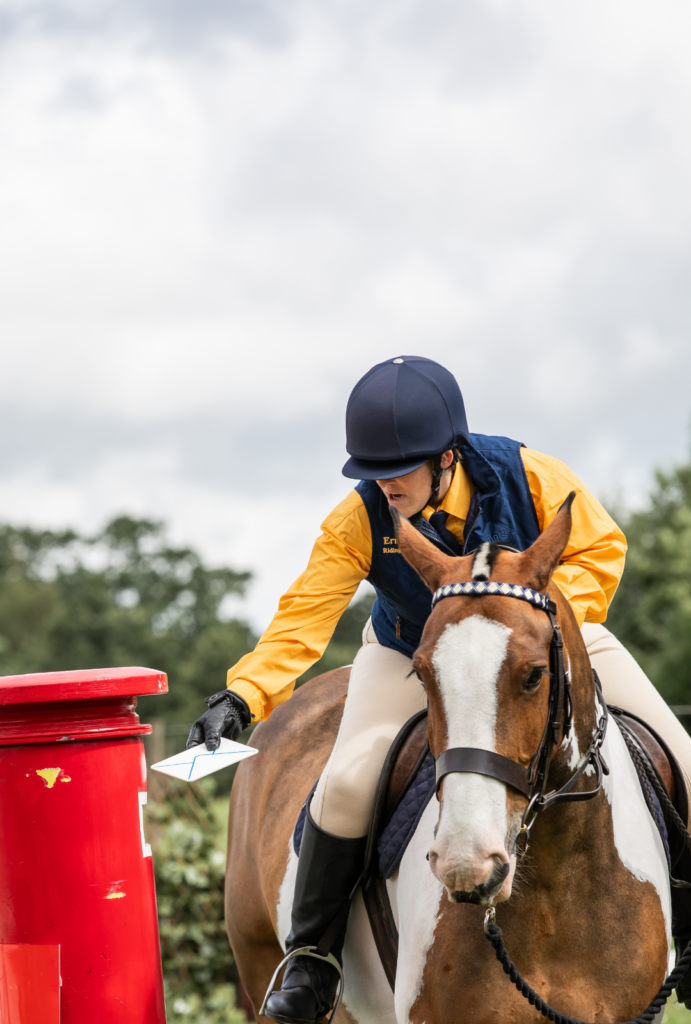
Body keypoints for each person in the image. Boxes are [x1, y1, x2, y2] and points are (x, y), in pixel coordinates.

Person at [188, 356, 691, 1024]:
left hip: (545, 641)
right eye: (370, 471)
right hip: (410, 653)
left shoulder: (530, 475)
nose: (382, 485)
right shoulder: (360, 518)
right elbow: (304, 613)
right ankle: (312, 961)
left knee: (683, 757)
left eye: (395, 471)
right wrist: (242, 697)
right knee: (343, 785)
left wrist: (523, 621)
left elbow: (601, 550)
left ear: (447, 457)